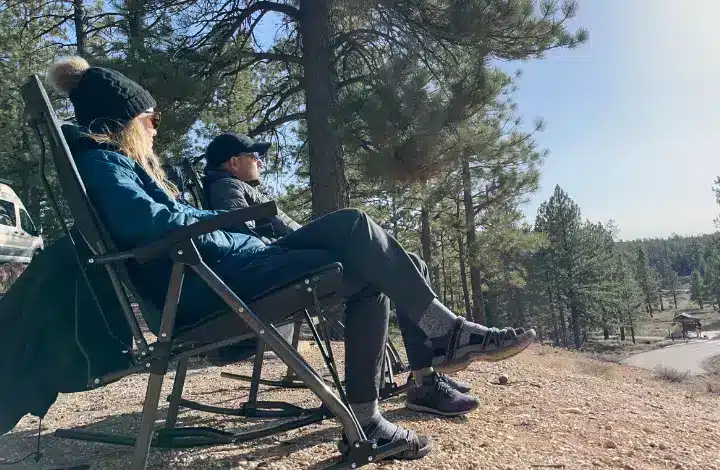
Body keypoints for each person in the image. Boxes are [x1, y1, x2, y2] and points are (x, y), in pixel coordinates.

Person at [47, 56, 536, 460]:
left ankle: (370, 417)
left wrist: (237, 238)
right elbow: (152, 226)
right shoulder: (104, 164)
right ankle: (443, 335)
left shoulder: (114, 165)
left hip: (220, 274)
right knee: (354, 226)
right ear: (126, 120)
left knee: (365, 268)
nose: (156, 131)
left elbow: (169, 218)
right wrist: (241, 239)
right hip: (208, 288)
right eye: (151, 119)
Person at [201, 132, 526, 418]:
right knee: (355, 225)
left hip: (286, 260)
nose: (259, 161)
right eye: (253, 156)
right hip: (274, 270)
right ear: (233, 162)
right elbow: (239, 240)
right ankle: (440, 351)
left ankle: (426, 373)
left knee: (411, 262)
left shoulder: (237, 186)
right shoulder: (226, 186)